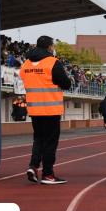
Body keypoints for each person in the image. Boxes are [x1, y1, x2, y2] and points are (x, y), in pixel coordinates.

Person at [21, 36, 71, 185]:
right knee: (50, 142)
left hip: (34, 110)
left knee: (38, 140)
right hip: (51, 109)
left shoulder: (26, 64)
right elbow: (66, 83)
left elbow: (25, 79)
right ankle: (48, 174)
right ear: (49, 47)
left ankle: (33, 166)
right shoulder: (53, 63)